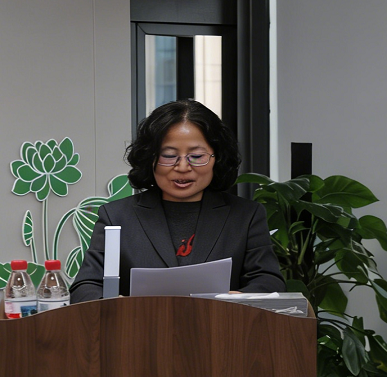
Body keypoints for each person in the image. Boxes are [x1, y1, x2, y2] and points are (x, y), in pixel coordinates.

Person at [69, 99, 285, 303]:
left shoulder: (246, 216)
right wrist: (117, 307)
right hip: (138, 328)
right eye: (169, 155)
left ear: (217, 158)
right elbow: (85, 287)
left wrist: (237, 300)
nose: (182, 167)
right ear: (150, 158)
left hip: (220, 327)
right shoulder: (117, 216)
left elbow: (268, 281)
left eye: (197, 156)